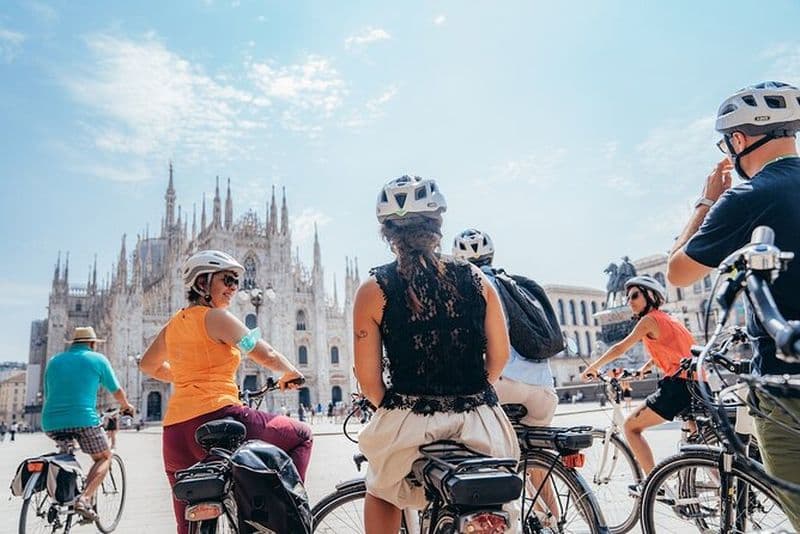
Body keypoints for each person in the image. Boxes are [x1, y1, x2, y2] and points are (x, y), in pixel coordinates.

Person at [667, 81, 800, 528]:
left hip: (785, 381)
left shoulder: (749, 195)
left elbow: (678, 272)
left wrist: (706, 200)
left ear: (739, 140)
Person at [354, 176, 519, 534]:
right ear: (438, 224)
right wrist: (473, 393)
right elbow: (500, 357)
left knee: (382, 489)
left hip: (409, 422)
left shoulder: (372, 289)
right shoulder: (476, 278)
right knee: (495, 496)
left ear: (388, 232)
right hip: (482, 422)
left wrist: (396, 408)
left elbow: (369, 382)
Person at [139, 249, 313, 534]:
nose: (234, 287)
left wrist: (183, 376)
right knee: (301, 436)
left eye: (236, 281)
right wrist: (291, 372)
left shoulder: (173, 325)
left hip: (175, 433)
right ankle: (285, 515)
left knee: (188, 522)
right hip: (219, 416)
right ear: (202, 283)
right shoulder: (216, 318)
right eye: (227, 280)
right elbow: (264, 353)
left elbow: (148, 364)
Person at [453, 227, 561, 526]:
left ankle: (500, 521)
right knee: (535, 458)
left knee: (480, 455)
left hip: (503, 384)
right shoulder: (517, 285)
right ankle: (553, 522)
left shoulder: (472, 286)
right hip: (543, 390)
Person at [580, 275, 695, 482]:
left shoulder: (648, 320)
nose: (629, 302)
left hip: (677, 387)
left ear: (650, 296)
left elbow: (620, 347)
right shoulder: (670, 319)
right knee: (697, 442)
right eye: (628, 297)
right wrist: (646, 366)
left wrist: (593, 367)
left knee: (630, 427)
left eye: (634, 296)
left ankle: (654, 484)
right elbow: (678, 350)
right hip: (697, 384)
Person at [42, 326, 135, 521]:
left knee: (64, 458)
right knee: (104, 457)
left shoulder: (53, 361)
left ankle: (58, 502)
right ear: (93, 344)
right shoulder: (97, 359)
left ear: (73, 343)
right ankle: (83, 499)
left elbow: (49, 392)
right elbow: (116, 391)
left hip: (50, 422)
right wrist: (127, 406)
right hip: (83, 420)